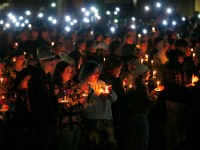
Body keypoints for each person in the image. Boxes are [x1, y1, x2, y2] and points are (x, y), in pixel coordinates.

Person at [78, 61, 118, 150]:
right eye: (95, 73)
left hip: (106, 119)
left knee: (112, 144)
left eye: (98, 73)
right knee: (94, 144)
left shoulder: (101, 83)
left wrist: (109, 94)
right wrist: (95, 97)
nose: (97, 76)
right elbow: (82, 105)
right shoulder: (81, 86)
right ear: (87, 73)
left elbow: (114, 98)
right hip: (92, 120)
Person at [52, 61, 87, 150]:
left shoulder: (73, 85)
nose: (70, 74)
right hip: (64, 124)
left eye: (71, 71)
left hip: (76, 122)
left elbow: (83, 98)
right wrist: (77, 102)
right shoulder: (55, 87)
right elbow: (64, 105)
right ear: (60, 72)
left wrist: (83, 96)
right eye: (68, 71)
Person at [126, 64, 162, 150]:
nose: (149, 75)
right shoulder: (142, 85)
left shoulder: (136, 83)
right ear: (143, 74)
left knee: (135, 140)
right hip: (140, 115)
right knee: (142, 140)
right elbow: (148, 102)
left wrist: (152, 92)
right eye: (148, 73)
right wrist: (156, 95)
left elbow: (142, 98)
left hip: (134, 113)